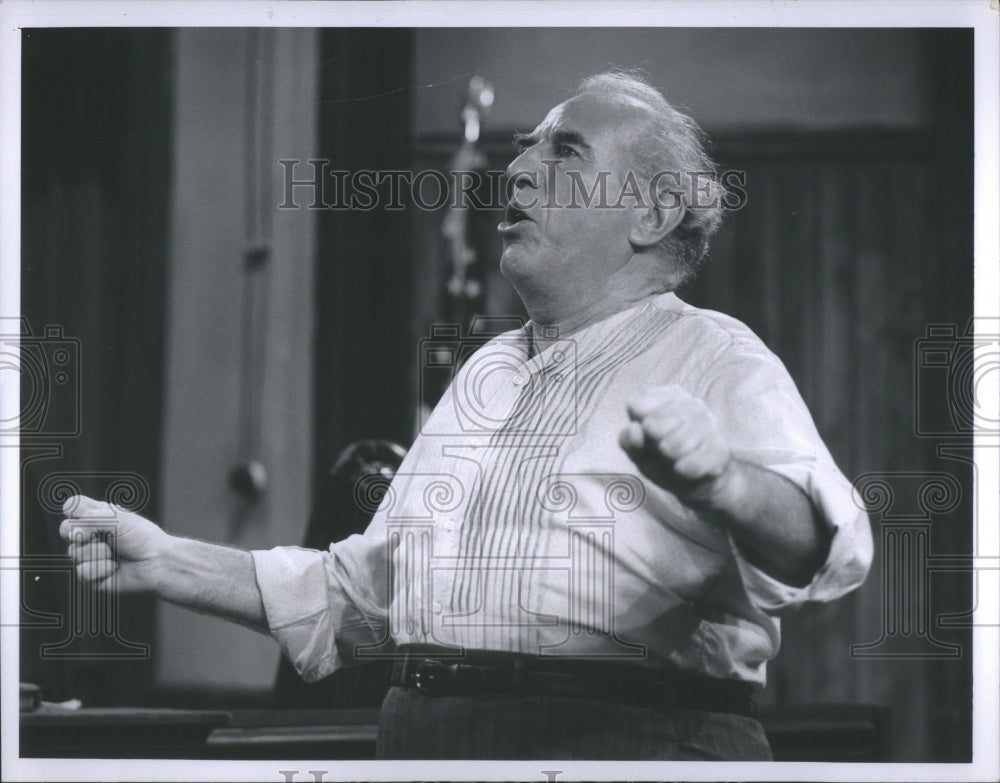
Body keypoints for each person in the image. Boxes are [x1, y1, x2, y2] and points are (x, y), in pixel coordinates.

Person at [60, 71, 873, 760]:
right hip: (427, 744)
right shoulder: (487, 369)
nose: (518, 170)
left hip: (624, 744)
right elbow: (360, 596)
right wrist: (168, 561)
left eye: (565, 151)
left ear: (653, 214)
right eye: (526, 145)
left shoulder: (713, 356)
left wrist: (724, 481)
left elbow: (820, 543)